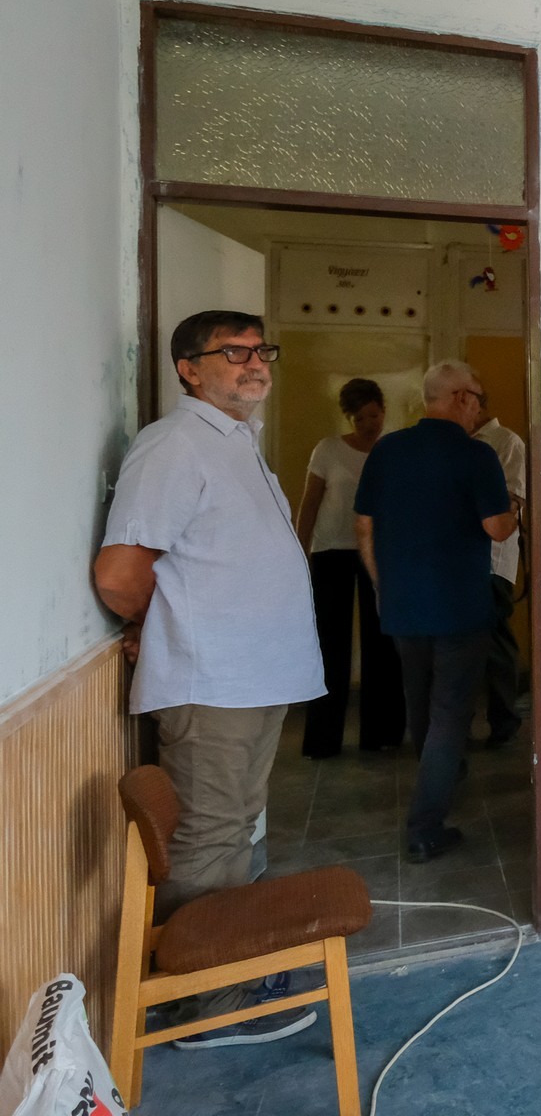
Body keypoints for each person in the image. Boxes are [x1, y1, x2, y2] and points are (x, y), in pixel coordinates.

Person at [94, 310, 326, 1047]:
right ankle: (205, 1007)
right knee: (208, 837)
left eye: (261, 351)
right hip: (213, 681)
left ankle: (230, 976)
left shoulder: (235, 441)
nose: (255, 363)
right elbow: (120, 573)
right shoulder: (174, 445)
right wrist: (151, 624)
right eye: (233, 352)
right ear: (189, 369)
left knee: (234, 831)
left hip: (250, 678)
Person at [354, 361, 516, 863]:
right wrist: (516, 508)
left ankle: (443, 776)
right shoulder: (476, 454)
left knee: (420, 703)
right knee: (450, 713)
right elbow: (497, 528)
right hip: (459, 606)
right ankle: (425, 827)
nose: (479, 408)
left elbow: (364, 526)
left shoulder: (387, 450)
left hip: (403, 605)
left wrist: (382, 585)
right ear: (461, 398)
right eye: (478, 397)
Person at [293, 377, 404, 757]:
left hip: (379, 551)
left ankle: (381, 734)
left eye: (373, 415)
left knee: (382, 641)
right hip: (331, 550)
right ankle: (323, 740)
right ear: (349, 418)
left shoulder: (392, 450)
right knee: (331, 642)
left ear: (383, 411)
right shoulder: (328, 449)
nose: (368, 424)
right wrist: (299, 551)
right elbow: (310, 503)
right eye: (360, 418)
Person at [471, 392, 528, 748]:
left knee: (496, 642)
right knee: (465, 642)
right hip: (461, 558)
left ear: (477, 404)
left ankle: (505, 722)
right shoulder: (460, 441)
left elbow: (512, 499)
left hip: (493, 556)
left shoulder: (506, 442)